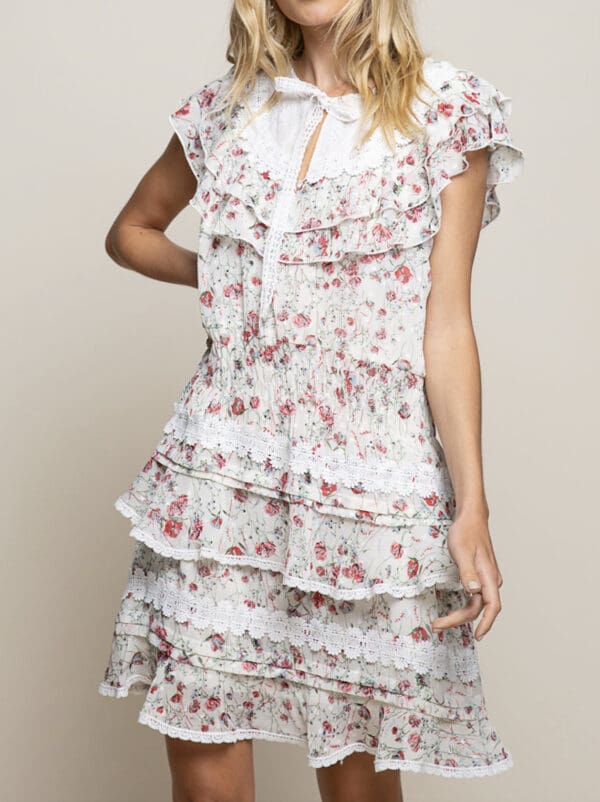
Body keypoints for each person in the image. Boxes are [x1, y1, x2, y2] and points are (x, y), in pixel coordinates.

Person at [97, 1, 525, 799]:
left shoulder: (445, 111)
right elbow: (132, 233)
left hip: (365, 480)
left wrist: (472, 507)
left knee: (357, 780)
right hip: (225, 474)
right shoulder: (227, 110)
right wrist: (231, 277)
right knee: (203, 756)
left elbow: (447, 326)